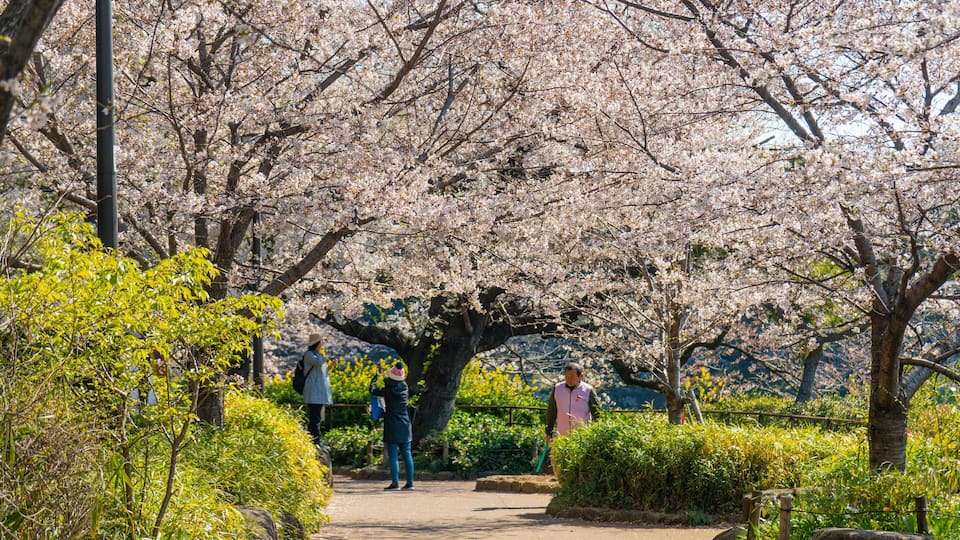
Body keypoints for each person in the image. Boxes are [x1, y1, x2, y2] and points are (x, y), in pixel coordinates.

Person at [544, 361, 602, 473]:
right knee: (559, 462)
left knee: (580, 464)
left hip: (581, 435)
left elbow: (597, 413)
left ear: (581, 376)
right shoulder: (557, 388)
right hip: (562, 433)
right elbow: (552, 411)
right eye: (566, 376)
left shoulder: (588, 390)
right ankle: (562, 483)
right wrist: (548, 431)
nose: (568, 379)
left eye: (571, 376)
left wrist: (597, 432)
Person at [370, 362, 415, 491]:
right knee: (407, 454)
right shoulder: (405, 388)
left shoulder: (387, 391)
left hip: (391, 424)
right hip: (405, 424)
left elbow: (372, 390)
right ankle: (410, 483)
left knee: (393, 455)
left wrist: (376, 377)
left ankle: (395, 483)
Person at [302, 333, 336, 445]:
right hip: (313, 392)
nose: (323, 344)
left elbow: (323, 372)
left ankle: (316, 440)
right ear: (316, 343)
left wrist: (330, 366)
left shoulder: (317, 355)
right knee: (315, 418)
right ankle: (315, 441)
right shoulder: (309, 355)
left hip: (319, 392)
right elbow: (318, 362)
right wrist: (323, 352)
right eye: (321, 342)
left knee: (317, 417)